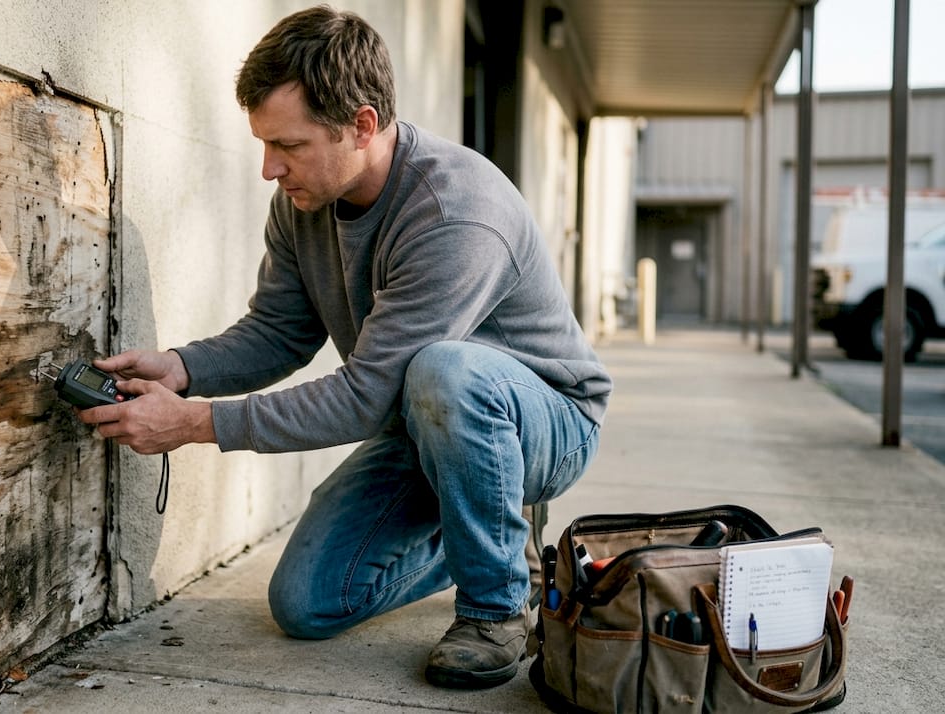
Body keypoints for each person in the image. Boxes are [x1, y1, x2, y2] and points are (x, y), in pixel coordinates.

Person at [77, 5, 611, 690]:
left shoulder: (455, 213)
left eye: (289, 146)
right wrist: (181, 368)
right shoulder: (303, 204)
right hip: (425, 424)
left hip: (546, 423)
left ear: (361, 125)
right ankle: (497, 532)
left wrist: (192, 425)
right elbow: (278, 332)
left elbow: (364, 397)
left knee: (444, 370)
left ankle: (495, 608)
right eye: (264, 144)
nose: (269, 168)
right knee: (305, 602)